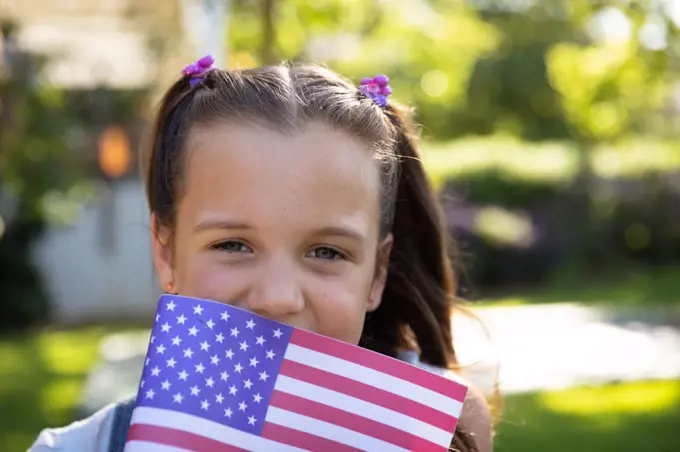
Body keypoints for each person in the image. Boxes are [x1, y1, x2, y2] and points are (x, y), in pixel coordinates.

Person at [28, 56, 493, 452]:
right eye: (232, 244)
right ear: (166, 254)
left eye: (327, 252)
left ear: (376, 274)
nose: (277, 298)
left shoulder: (439, 428)